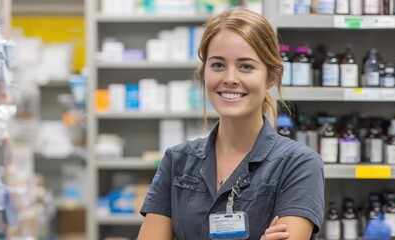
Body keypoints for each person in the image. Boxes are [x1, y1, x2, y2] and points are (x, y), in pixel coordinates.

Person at [138, 8, 324, 240]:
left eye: (246, 66)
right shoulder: (177, 161)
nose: (229, 78)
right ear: (204, 72)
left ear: (272, 76)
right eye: (217, 65)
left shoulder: (298, 164)